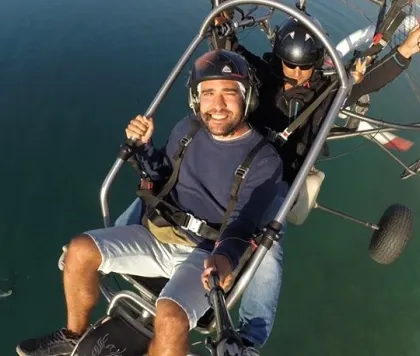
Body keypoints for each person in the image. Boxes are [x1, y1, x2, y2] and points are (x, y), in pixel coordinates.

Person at [16, 49, 289, 356]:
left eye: (229, 93)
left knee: (171, 319)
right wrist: (144, 149)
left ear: (246, 99)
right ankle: (73, 335)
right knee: (79, 252)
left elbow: (244, 222)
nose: (218, 105)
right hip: (158, 234)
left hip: (206, 255)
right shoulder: (187, 130)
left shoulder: (265, 160)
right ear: (196, 100)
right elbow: (162, 176)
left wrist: (224, 259)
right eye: (208, 93)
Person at [231, 18, 420, 351]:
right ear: (279, 59)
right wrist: (222, 13)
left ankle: (248, 340)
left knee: (268, 244)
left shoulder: (328, 93)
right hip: (235, 165)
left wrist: (403, 52)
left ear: (315, 64)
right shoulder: (262, 78)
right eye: (289, 64)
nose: (295, 73)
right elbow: (229, 51)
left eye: (304, 67)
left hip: (278, 181)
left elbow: (368, 84)